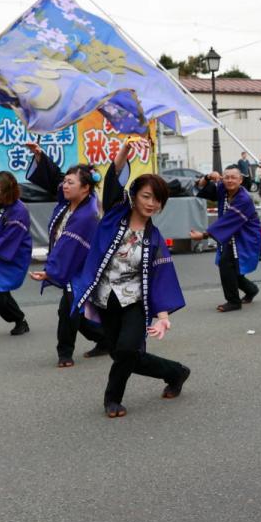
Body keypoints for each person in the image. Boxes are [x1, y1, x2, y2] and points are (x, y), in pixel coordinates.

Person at [72, 140, 188, 418]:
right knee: (123, 355)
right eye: (146, 196)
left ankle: (112, 399)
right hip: (104, 298)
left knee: (126, 350)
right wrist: (124, 152)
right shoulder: (114, 215)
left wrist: (163, 316)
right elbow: (113, 181)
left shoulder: (154, 239)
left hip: (134, 302)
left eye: (157, 199)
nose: (151, 203)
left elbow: (161, 277)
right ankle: (176, 371)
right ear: (135, 195)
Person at [25, 144, 107, 366]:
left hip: (84, 266)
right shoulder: (71, 200)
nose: (64, 186)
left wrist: (50, 271)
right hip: (74, 262)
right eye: (65, 182)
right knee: (76, 309)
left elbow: (69, 247)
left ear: (86, 188)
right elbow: (55, 180)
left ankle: (65, 353)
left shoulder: (87, 214)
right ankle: (105, 340)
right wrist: (40, 156)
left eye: (71, 183)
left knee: (68, 307)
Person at [190, 167, 261, 312]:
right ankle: (251, 289)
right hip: (230, 233)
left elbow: (227, 222)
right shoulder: (223, 189)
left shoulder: (244, 199)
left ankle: (234, 301)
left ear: (240, 180)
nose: (229, 180)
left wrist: (203, 235)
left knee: (226, 264)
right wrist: (209, 176)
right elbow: (199, 186)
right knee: (232, 267)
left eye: (233, 177)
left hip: (245, 235)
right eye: (226, 177)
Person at [0, 172, 32, 336]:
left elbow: (7, 240)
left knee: (0, 293)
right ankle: (19, 319)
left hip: (12, 254)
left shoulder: (19, 211)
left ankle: (19, 319)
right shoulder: (2, 205)